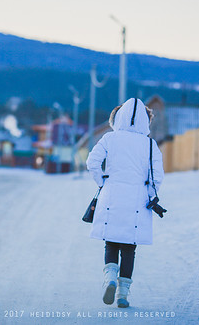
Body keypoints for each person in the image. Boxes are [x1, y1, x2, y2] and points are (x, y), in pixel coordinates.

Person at [86, 97, 164, 308]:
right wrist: (149, 193)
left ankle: (110, 276)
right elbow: (157, 176)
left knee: (111, 241)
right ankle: (123, 294)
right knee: (129, 247)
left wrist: (102, 181)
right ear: (144, 120)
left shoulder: (109, 139)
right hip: (138, 200)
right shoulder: (149, 144)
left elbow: (92, 162)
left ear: (119, 117)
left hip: (111, 194)